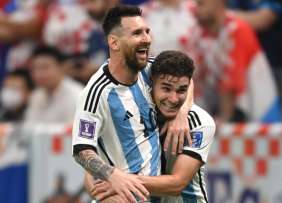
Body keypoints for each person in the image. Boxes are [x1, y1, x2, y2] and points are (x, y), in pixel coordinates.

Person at [72, 5, 192, 203]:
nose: (147, 38)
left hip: (154, 196)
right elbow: (81, 150)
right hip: (119, 197)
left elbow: (186, 77)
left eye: (147, 31)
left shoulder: (150, 68)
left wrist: (182, 113)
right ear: (114, 43)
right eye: (137, 33)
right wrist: (113, 176)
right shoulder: (96, 93)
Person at [86, 50, 215, 203]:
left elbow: (177, 183)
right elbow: (91, 173)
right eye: (166, 88)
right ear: (151, 83)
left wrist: (121, 182)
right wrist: (105, 194)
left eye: (181, 90)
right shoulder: (128, 112)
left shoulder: (200, 123)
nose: (173, 99)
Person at [24, 46, 83, 124]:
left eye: (45, 67)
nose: (38, 74)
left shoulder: (78, 95)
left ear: (62, 67)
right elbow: (29, 128)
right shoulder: (36, 95)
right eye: (34, 68)